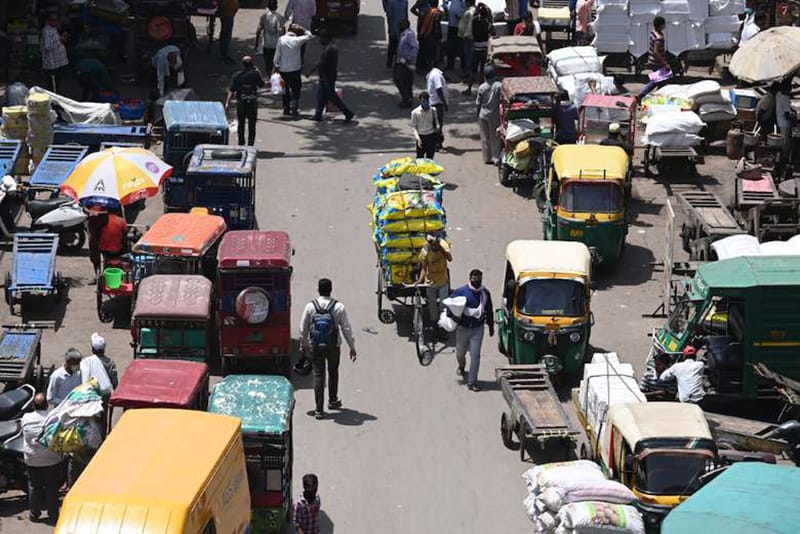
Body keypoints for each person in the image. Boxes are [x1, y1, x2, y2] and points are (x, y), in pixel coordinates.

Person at [299, 278, 357, 419]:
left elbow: (303, 328)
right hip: (333, 346)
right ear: (331, 290)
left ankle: (318, 410)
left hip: (316, 347)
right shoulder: (338, 307)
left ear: (318, 290)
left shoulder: (310, 306)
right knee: (333, 372)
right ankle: (333, 400)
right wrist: (352, 346)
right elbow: (346, 328)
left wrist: (303, 345)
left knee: (318, 375)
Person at [22, 394, 63, 525]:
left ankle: (34, 514)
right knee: (52, 487)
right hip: (51, 460)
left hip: (31, 459)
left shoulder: (26, 418)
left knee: (34, 486)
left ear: (33, 405)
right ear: (46, 405)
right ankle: (53, 514)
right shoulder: (54, 418)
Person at [451, 269, 494, 391]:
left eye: (478, 278)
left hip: (477, 328)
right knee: (460, 353)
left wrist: (491, 326)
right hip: (463, 328)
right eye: (474, 279)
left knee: (475, 355)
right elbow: (450, 304)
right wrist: (453, 317)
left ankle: (472, 381)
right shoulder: (461, 291)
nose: (476, 281)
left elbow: (489, 310)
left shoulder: (485, 293)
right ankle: (461, 365)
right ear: (469, 278)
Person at [308, 31, 354, 123]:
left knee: (332, 97)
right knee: (320, 95)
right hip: (326, 76)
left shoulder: (329, 49)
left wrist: (311, 72)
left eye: (321, 38)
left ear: (326, 38)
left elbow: (321, 63)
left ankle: (348, 113)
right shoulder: (331, 47)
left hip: (327, 77)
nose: (320, 40)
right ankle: (318, 115)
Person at [274, 24, 314, 117]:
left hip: (283, 70)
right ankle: (294, 107)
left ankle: (286, 108)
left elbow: (277, 56)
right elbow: (310, 35)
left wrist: (276, 66)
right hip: (295, 70)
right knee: (296, 90)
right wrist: (303, 28)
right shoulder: (297, 40)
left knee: (285, 90)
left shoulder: (281, 39)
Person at [226, 56, 266, 146]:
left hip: (241, 102)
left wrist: (227, 102)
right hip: (252, 102)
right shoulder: (255, 74)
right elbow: (262, 85)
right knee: (252, 125)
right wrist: (258, 72)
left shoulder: (236, 75)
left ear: (242, 64)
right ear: (252, 64)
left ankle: (241, 144)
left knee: (241, 123)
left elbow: (231, 90)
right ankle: (250, 145)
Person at [416, 234, 452, 324]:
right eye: (432, 245)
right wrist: (419, 280)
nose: (433, 246)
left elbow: (449, 258)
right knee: (432, 307)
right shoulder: (425, 249)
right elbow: (424, 268)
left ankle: (443, 325)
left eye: (435, 244)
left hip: (443, 281)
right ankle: (434, 325)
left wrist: (439, 247)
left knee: (443, 306)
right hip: (430, 282)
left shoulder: (443, 245)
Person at [87, 207, 127, 278]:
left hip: (102, 248)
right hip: (117, 248)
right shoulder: (121, 221)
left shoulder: (100, 220)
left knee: (94, 245)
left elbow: (94, 235)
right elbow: (124, 237)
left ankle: (97, 274)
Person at [475, 66, 502, 164]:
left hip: (483, 115)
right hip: (495, 115)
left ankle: (487, 158)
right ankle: (496, 158)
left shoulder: (482, 87)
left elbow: (478, 103)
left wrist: (477, 114)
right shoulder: (499, 86)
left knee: (485, 137)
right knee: (495, 137)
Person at [639, 16, 669, 99]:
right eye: (663, 24)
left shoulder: (653, 32)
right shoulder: (659, 37)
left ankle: (652, 96)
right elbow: (656, 52)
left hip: (652, 60)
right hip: (658, 62)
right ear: (660, 25)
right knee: (658, 81)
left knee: (659, 81)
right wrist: (665, 63)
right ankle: (642, 96)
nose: (665, 26)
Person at [466, 3, 493, 95]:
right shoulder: (487, 23)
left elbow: (474, 15)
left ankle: (469, 89)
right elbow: (492, 30)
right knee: (482, 71)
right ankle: (481, 91)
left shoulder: (474, 21)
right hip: (485, 48)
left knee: (473, 70)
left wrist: (478, 8)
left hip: (476, 47)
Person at [41, 13, 69, 93]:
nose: (56, 22)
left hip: (57, 63)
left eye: (57, 20)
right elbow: (48, 47)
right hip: (52, 65)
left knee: (57, 85)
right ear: (49, 21)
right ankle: (54, 102)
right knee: (53, 87)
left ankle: (56, 99)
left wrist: (62, 39)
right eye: (54, 20)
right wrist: (60, 40)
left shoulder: (53, 29)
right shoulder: (47, 31)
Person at [255, 0, 285, 73]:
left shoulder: (264, 16)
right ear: (277, 7)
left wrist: (256, 43)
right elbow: (282, 32)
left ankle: (269, 77)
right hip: (277, 44)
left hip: (267, 44)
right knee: (276, 62)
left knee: (268, 63)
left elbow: (259, 30)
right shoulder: (280, 17)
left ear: (268, 7)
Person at [394, 19, 419, 107]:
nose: (399, 25)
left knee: (398, 79)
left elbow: (414, 47)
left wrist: (409, 57)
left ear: (405, 25)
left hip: (406, 61)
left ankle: (407, 98)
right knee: (406, 80)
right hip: (401, 60)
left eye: (401, 24)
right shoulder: (403, 33)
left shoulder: (409, 34)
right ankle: (408, 99)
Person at [411, 91, 441, 158]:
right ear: (420, 101)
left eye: (426, 101)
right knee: (420, 159)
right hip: (421, 137)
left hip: (431, 136)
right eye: (423, 101)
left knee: (430, 159)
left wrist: (438, 127)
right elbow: (414, 127)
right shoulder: (415, 112)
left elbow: (436, 121)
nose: (425, 103)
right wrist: (418, 138)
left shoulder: (433, 110)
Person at [426, 65, 448, 147]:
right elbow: (439, 89)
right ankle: (437, 143)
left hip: (433, 102)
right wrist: (444, 103)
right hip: (437, 103)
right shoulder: (437, 75)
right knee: (438, 124)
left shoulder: (431, 73)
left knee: (435, 123)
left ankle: (436, 142)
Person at [418, 0, 443, 71]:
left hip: (428, 35)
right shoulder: (437, 12)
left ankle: (428, 68)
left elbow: (425, 23)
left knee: (429, 53)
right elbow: (437, 26)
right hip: (434, 36)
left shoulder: (429, 12)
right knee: (435, 54)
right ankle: (434, 69)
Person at [384, 0, 409, 68]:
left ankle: (397, 63)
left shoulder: (404, 2)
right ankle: (390, 61)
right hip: (394, 28)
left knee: (400, 46)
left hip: (401, 28)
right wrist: (390, 28)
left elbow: (406, 15)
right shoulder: (391, 2)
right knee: (392, 45)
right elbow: (389, 17)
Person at [458, 0, 476, 93]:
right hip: (476, 39)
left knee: (469, 60)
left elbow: (462, 27)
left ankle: (469, 79)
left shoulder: (468, 12)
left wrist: (460, 35)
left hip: (468, 39)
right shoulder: (477, 12)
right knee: (474, 60)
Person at [444, 0, 466, 73]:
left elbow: (465, 13)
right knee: (450, 47)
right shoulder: (452, 1)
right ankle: (450, 65)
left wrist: (460, 16)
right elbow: (446, 7)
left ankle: (463, 68)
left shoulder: (462, 1)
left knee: (461, 48)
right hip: (451, 26)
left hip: (459, 27)